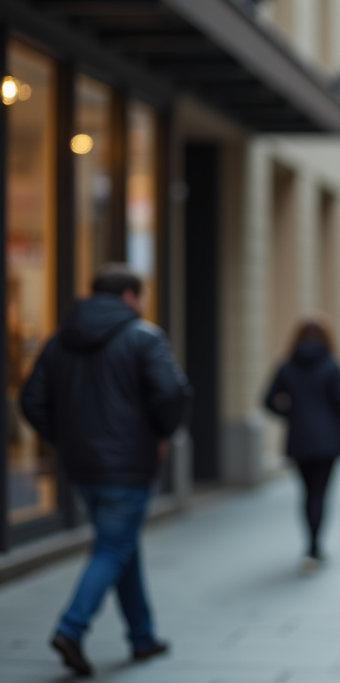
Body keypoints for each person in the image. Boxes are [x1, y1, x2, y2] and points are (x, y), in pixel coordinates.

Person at [20, 263, 192, 676]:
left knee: (120, 546)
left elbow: (31, 401)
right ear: (130, 297)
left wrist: (64, 438)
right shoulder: (144, 337)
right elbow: (172, 392)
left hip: (82, 467)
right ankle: (71, 628)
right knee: (113, 547)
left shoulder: (60, 340)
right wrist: (162, 433)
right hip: (128, 466)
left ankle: (142, 637)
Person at [264, 319, 340, 571]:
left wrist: (291, 413)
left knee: (306, 493)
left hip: (299, 439)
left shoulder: (287, 366)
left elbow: (268, 401)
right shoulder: (332, 365)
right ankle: (315, 546)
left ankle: (310, 546)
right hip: (328, 441)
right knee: (320, 494)